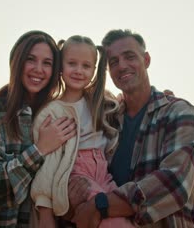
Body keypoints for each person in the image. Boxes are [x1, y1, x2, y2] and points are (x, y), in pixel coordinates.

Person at [68, 29, 194, 227]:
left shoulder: (178, 113)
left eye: (129, 57)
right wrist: (74, 193)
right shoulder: (109, 121)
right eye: (113, 62)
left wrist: (101, 204)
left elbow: (174, 184)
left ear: (146, 60)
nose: (122, 66)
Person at [0, 30, 77, 228]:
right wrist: (40, 149)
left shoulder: (57, 115)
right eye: (30, 59)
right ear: (16, 63)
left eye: (47, 63)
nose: (38, 69)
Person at [29, 35, 134, 228]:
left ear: (94, 70)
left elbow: (127, 106)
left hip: (103, 173)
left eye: (86, 66)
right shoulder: (52, 112)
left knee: (127, 212)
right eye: (72, 64)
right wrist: (44, 208)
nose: (79, 71)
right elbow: (46, 165)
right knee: (114, 222)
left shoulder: (100, 103)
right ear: (60, 66)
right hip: (75, 174)